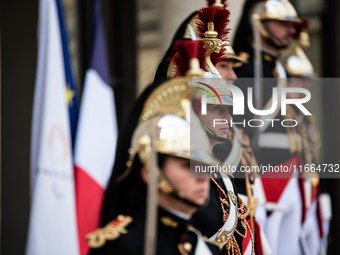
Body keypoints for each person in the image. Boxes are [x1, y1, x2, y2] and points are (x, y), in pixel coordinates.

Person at [87, 41, 222, 255]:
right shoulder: (120, 248)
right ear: (151, 173)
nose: (202, 175)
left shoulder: (206, 248)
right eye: (188, 164)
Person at [233, 0, 314, 254]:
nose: (291, 31)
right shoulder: (242, 69)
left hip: (292, 171)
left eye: (292, 25)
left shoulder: (280, 69)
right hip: (262, 176)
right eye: (282, 23)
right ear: (258, 21)